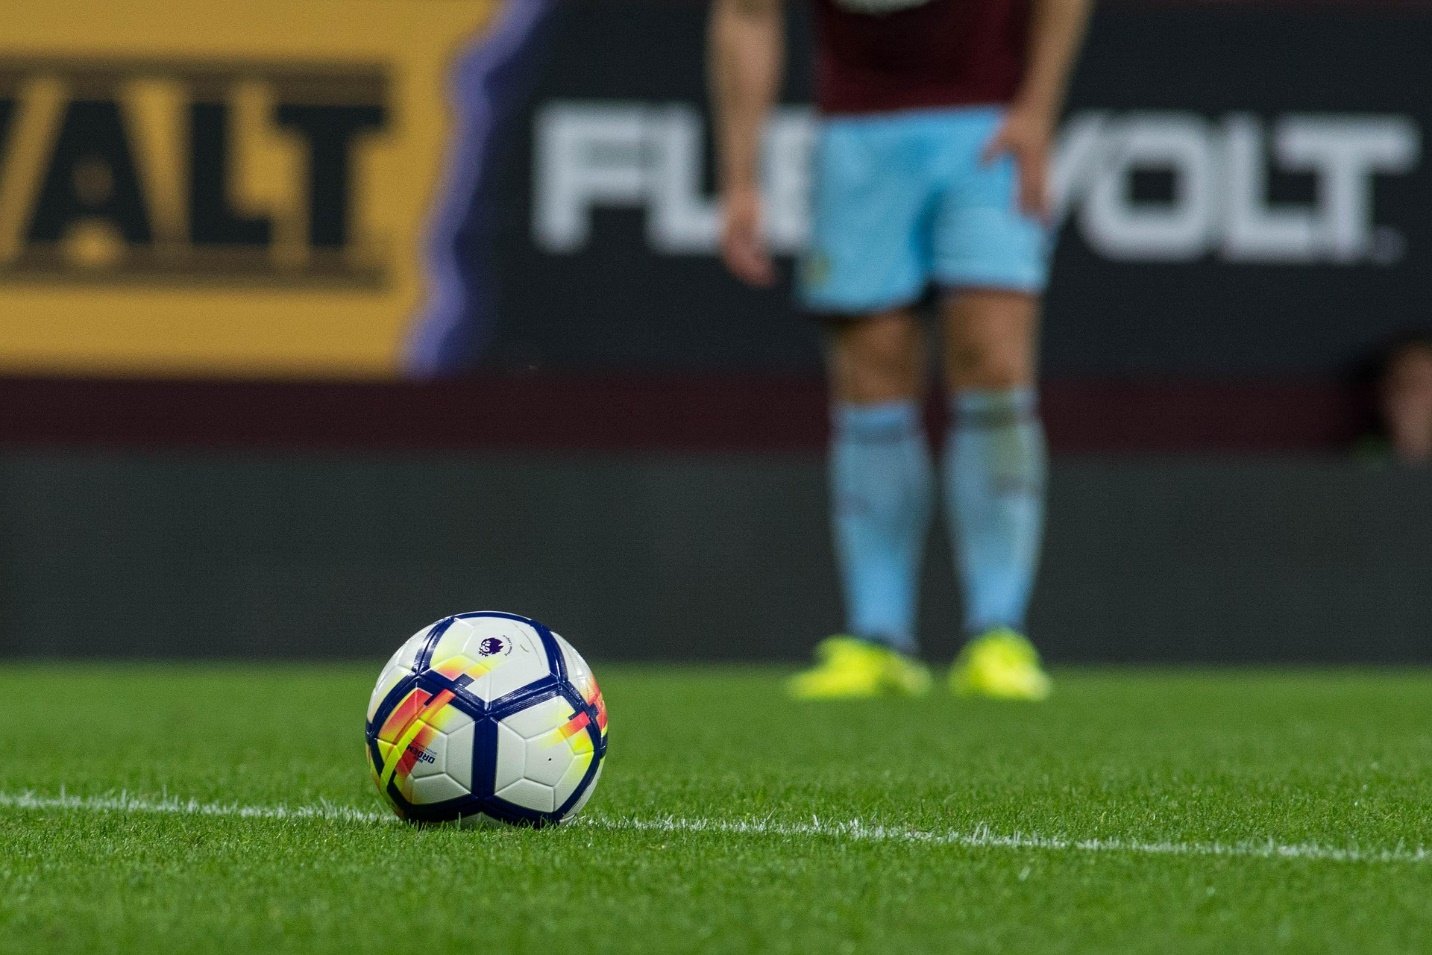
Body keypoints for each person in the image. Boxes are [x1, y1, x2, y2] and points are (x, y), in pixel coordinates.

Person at [709, 0, 1093, 700]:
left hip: (987, 121)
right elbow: (746, 14)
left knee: (995, 360)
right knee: (871, 372)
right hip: (858, 134)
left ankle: (999, 631)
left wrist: (1038, 109)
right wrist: (740, 179)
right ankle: (879, 634)